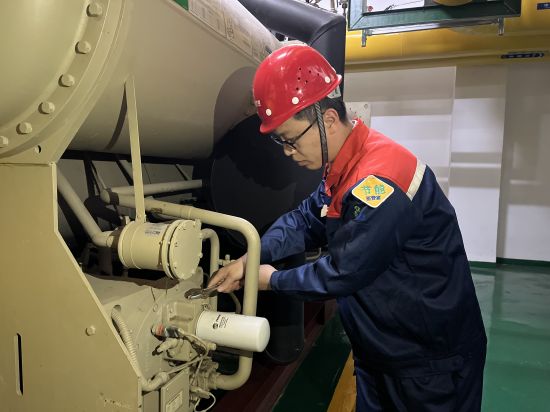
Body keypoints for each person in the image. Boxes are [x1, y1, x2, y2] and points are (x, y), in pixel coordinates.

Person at [208, 44, 487, 411]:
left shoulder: (381, 179)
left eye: (290, 139)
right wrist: (251, 257)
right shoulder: (343, 167)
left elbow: (343, 272)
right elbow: (303, 220)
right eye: (280, 142)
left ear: (327, 120)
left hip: (429, 362)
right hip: (381, 352)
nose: (287, 151)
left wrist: (271, 280)